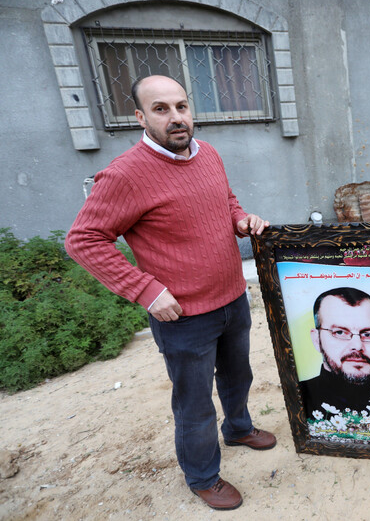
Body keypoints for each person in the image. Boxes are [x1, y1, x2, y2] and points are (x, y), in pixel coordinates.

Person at [65, 75, 276, 511]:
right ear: (140, 117)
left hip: (232, 298)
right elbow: (83, 240)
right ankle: (202, 476)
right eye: (161, 109)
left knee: (238, 376)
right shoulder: (125, 174)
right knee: (195, 405)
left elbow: (226, 200)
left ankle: (238, 428)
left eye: (181, 106)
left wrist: (240, 219)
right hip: (183, 317)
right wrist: (145, 290)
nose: (176, 118)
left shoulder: (208, 153)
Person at [300, 287, 370, 417]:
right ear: (317, 340)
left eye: (369, 334)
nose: (357, 346)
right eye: (339, 332)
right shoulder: (297, 398)